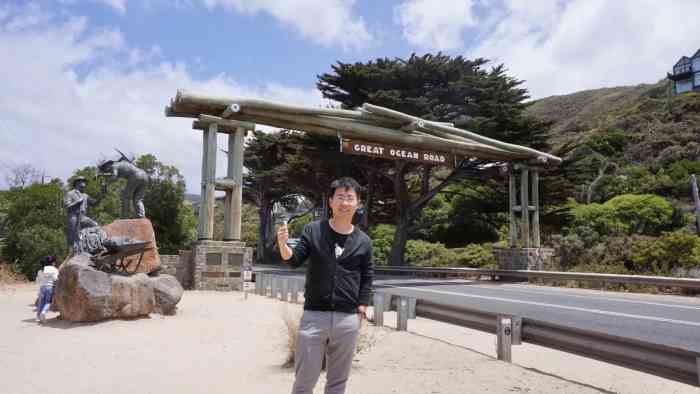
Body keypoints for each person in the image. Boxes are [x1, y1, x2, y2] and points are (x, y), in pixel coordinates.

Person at [277, 177, 374, 394]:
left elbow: (367, 276)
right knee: (304, 381)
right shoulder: (313, 230)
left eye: (350, 198)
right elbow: (293, 260)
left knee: (338, 383)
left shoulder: (363, 241)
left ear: (357, 203)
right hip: (314, 316)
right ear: (330, 201)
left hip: (347, 319)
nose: (345, 202)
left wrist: (362, 307)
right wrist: (283, 244)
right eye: (340, 197)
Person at [64, 176, 103, 254]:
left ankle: (90, 245)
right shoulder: (70, 193)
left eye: (84, 181)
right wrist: (77, 202)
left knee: (95, 225)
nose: (84, 183)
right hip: (73, 215)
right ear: (77, 183)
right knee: (74, 234)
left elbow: (95, 203)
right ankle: (72, 250)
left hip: (83, 216)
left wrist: (102, 194)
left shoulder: (85, 195)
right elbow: (67, 206)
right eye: (83, 181)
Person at [36, 255, 59, 323]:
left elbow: (37, 280)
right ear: (53, 262)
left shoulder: (41, 269)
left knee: (41, 303)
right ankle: (43, 312)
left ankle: (38, 317)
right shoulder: (54, 269)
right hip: (49, 287)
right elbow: (56, 279)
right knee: (48, 302)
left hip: (42, 288)